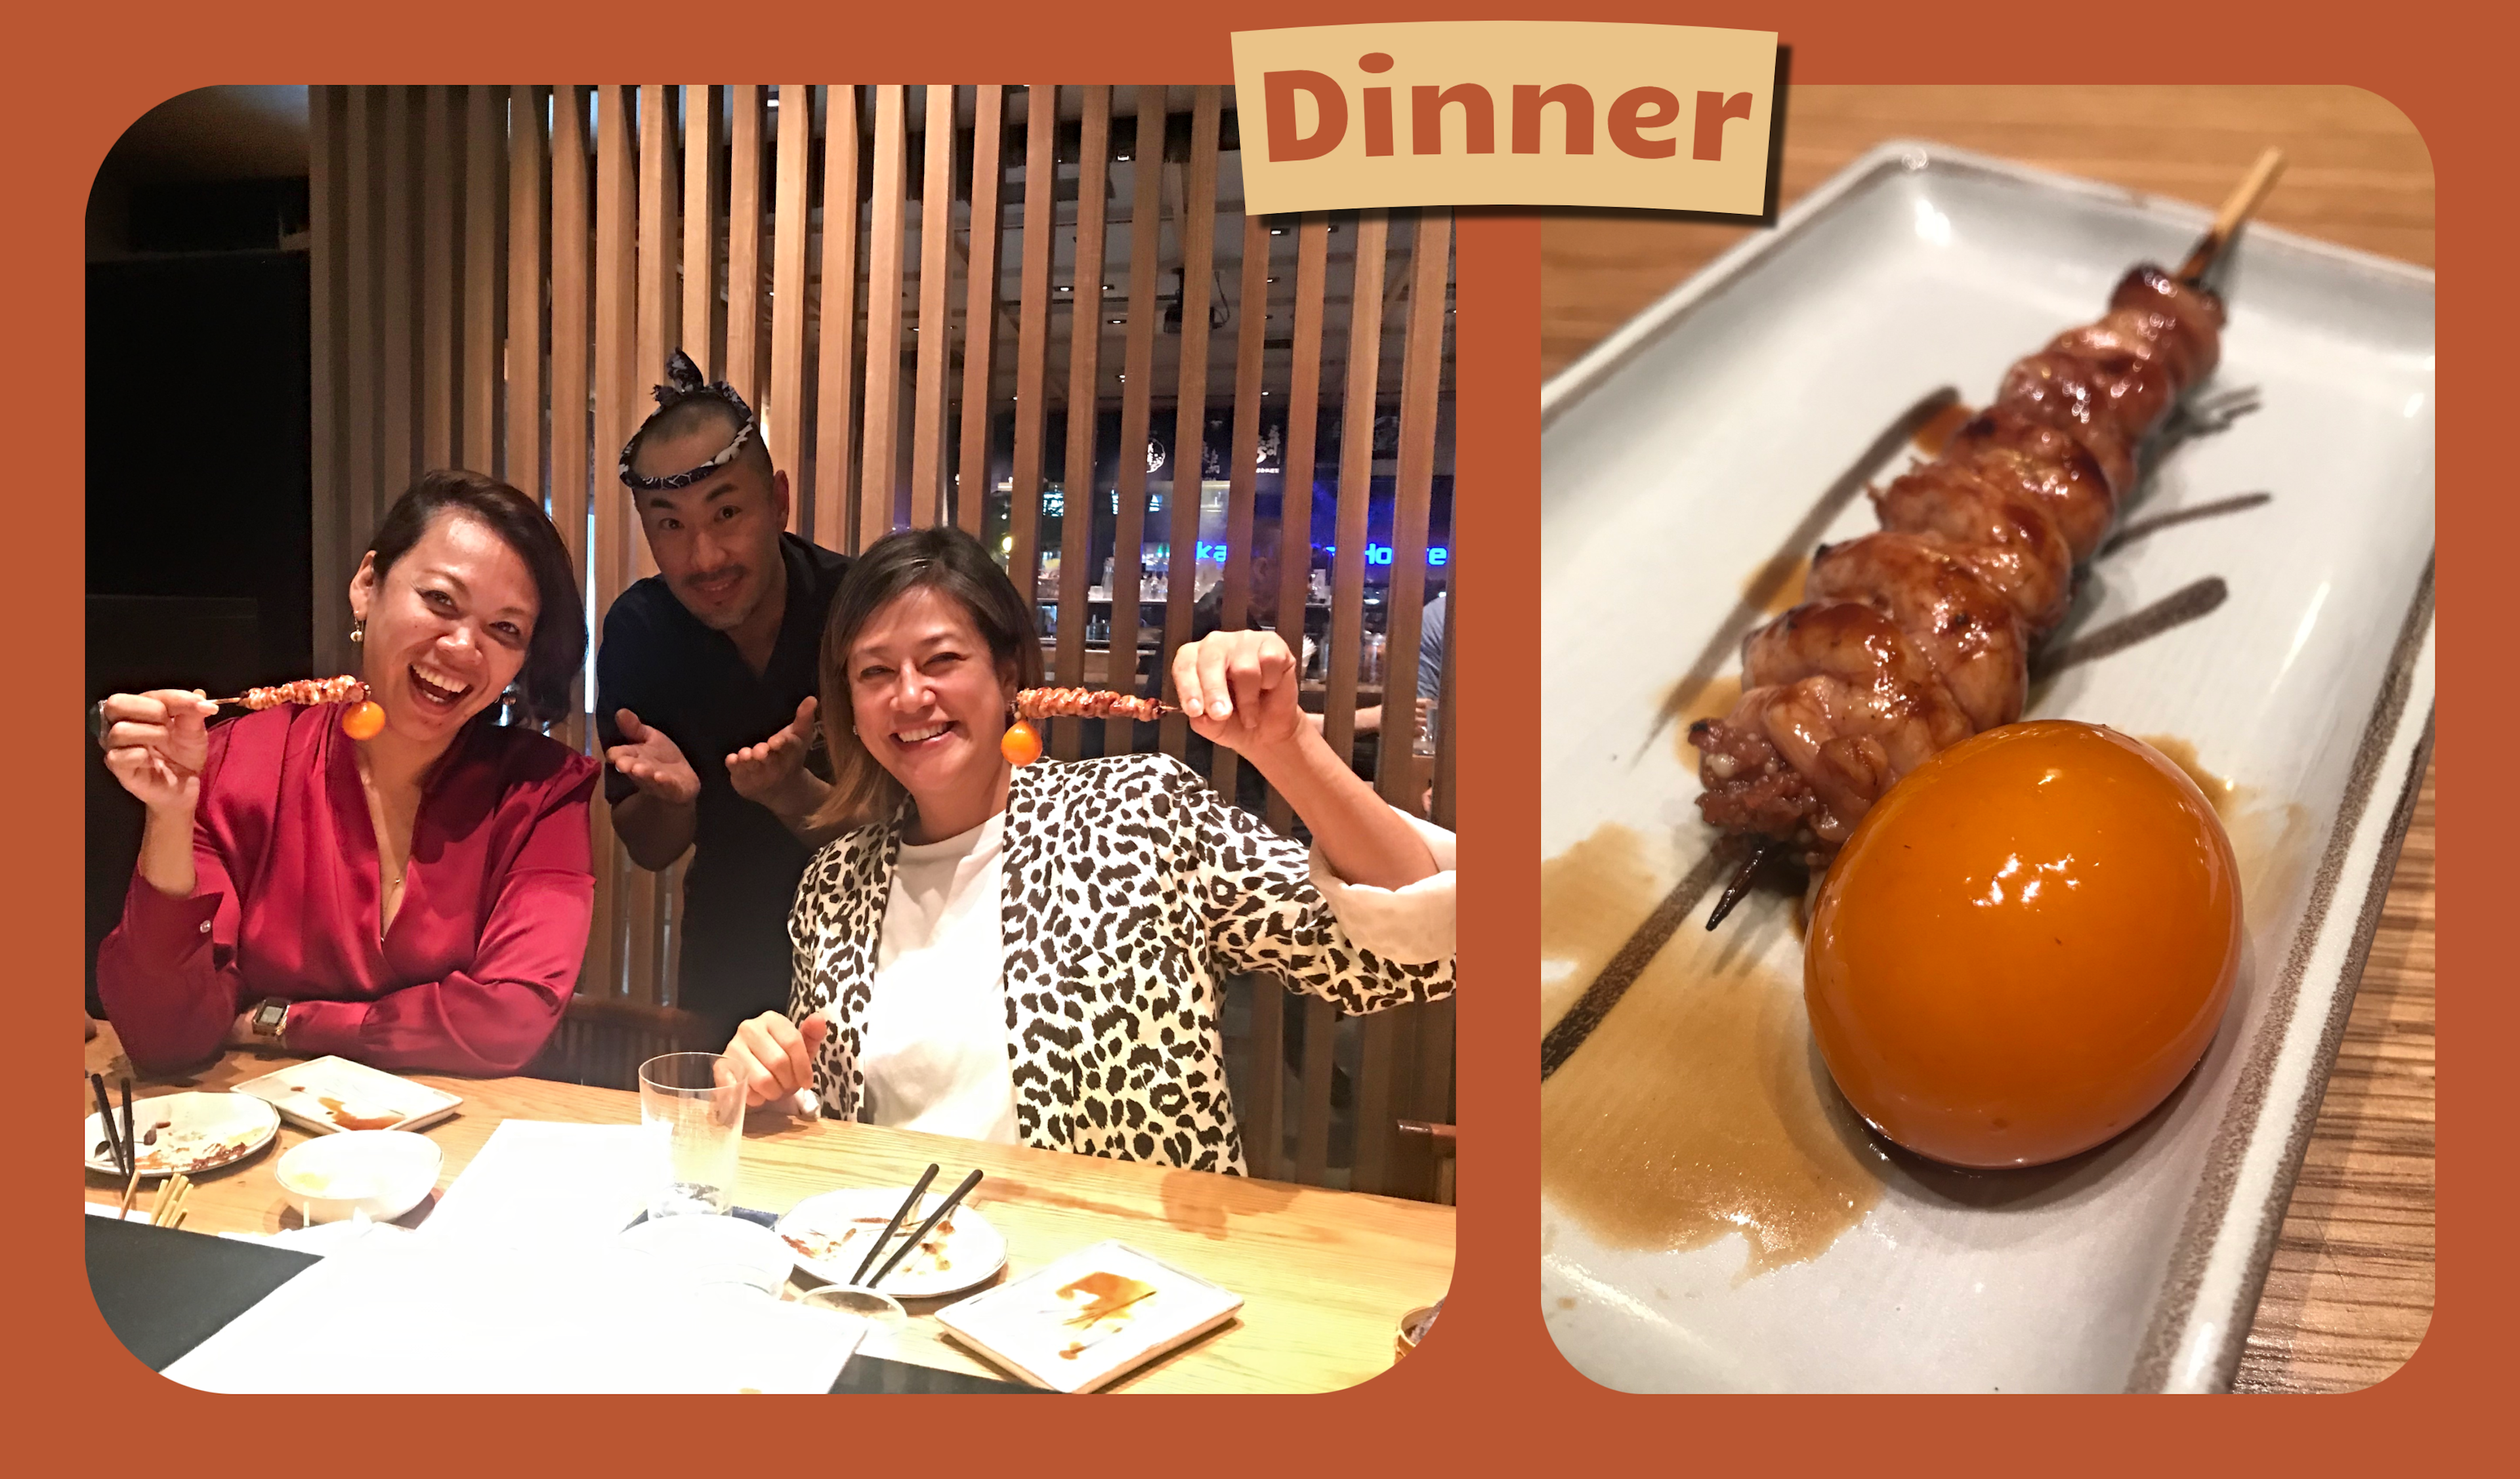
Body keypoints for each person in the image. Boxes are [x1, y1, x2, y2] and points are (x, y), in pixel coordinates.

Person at [723, 526, 1456, 1173]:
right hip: (906, 1276)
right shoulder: (835, 886)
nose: (910, 696)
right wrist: (766, 1088)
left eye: (941, 659)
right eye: (875, 672)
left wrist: (1289, 743)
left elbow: (1414, 947)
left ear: (1008, 675)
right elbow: (837, 1115)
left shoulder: (1138, 817)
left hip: (1118, 1293)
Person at [94, 472, 597, 1075]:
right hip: (274, 1145)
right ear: (367, 586)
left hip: (461, 1142)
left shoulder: (542, 793)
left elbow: (509, 1019)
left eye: (505, 629)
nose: (465, 647)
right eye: (440, 600)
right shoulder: (239, 764)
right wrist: (172, 817)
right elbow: (164, 1036)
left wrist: (284, 1021)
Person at [596, 350, 852, 1042]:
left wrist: (793, 794)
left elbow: (914, 829)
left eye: (728, 511)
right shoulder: (640, 631)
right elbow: (649, 848)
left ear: (780, 501)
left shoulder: (857, 609)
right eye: (670, 525)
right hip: (726, 951)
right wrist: (671, 802)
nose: (703, 556)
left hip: (872, 938)